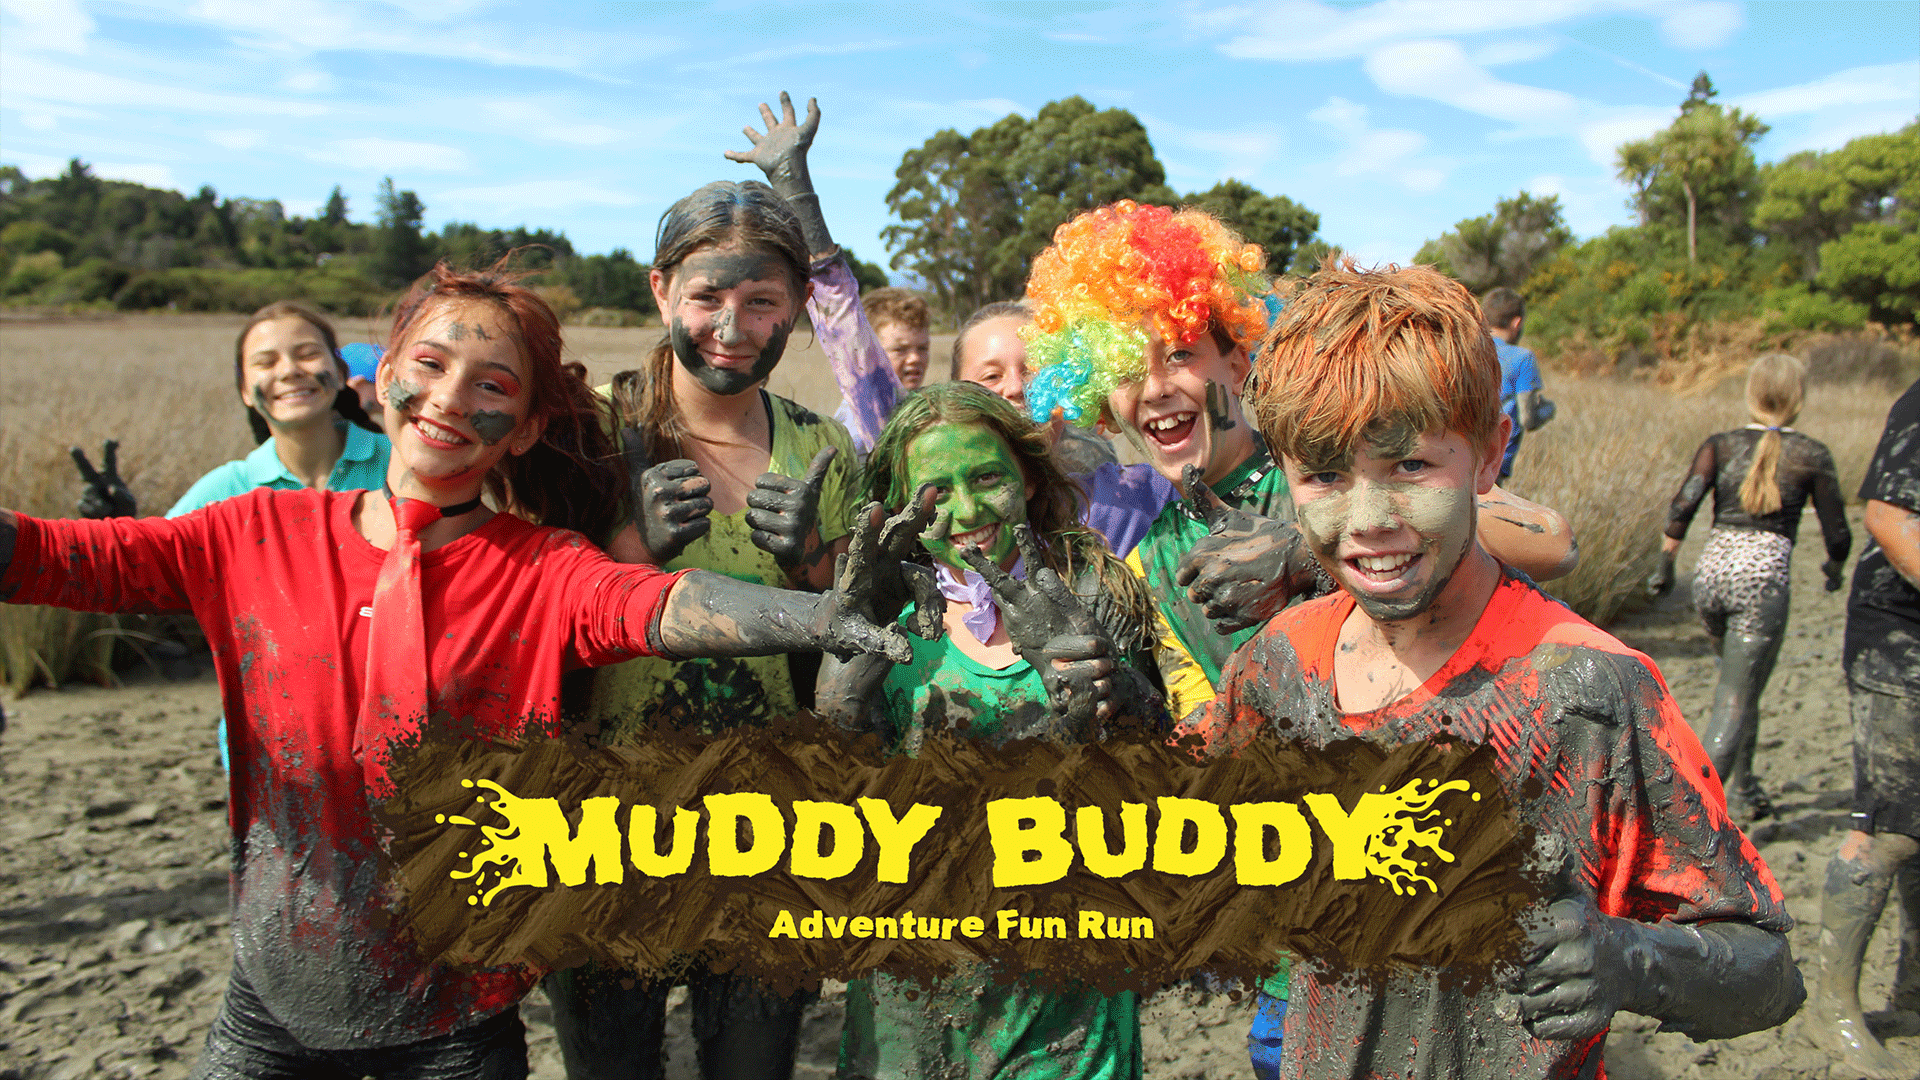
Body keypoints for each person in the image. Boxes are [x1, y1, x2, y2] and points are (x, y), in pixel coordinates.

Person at [0, 261, 915, 1079]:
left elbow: (660, 607)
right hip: (268, 1008)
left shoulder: (540, 567)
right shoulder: (249, 533)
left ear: (519, 431)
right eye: (430, 367)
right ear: (387, 374)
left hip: (456, 1025)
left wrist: (820, 614)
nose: (449, 398)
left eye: (492, 386)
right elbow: (58, 559)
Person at [1179, 258, 1803, 1080]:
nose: (1368, 523)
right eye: (1325, 476)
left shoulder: (1587, 691)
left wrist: (1626, 959)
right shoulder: (1283, 662)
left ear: (1486, 457)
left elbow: (1766, 971)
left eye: (1410, 467)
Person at [547, 93, 862, 1080]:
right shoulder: (586, 433)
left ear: (797, 308)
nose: (733, 326)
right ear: (659, 291)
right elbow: (520, 612)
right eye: (707, 298)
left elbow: (854, 628)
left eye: (764, 301)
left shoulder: (820, 448)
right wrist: (627, 540)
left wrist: (813, 557)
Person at [1020, 203, 1581, 720]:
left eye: (1180, 355)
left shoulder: (1331, 469)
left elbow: (1554, 542)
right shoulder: (1149, 560)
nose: (1156, 389)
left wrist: (1305, 550)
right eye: (1124, 372)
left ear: (1238, 364)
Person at [818, 381, 1161, 1080]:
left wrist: (1115, 695)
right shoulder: (878, 609)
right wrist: (840, 713)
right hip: (912, 991)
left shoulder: (1093, 592)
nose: (968, 511)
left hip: (1063, 1000)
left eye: (988, 478)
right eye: (937, 492)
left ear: (1030, 479)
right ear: (901, 506)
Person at [1650, 353, 1851, 819]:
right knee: (1736, 697)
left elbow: (1684, 504)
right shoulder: (1812, 454)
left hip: (1712, 576)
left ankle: (1746, 788)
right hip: (1760, 584)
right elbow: (1838, 532)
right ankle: (1690, 814)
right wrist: (1834, 568)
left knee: (1741, 681)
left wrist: (1665, 561)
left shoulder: (1719, 444)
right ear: (1798, 399)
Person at [1802, 377, 1920, 1079]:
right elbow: (1887, 515)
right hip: (1898, 637)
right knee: (1886, 826)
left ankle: (1912, 989)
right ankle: (1832, 1008)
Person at [69, 300, 389, 522]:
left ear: (339, 371)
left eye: (307, 354)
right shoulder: (227, 490)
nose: (289, 370)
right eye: (265, 362)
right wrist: (118, 529)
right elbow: (150, 577)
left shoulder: (398, 464)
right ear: (245, 391)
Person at [1481, 286, 1547, 481]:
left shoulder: (1464, 349)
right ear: (1516, 322)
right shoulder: (1522, 358)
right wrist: (1547, 410)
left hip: (1457, 461)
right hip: (1493, 466)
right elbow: (1528, 419)